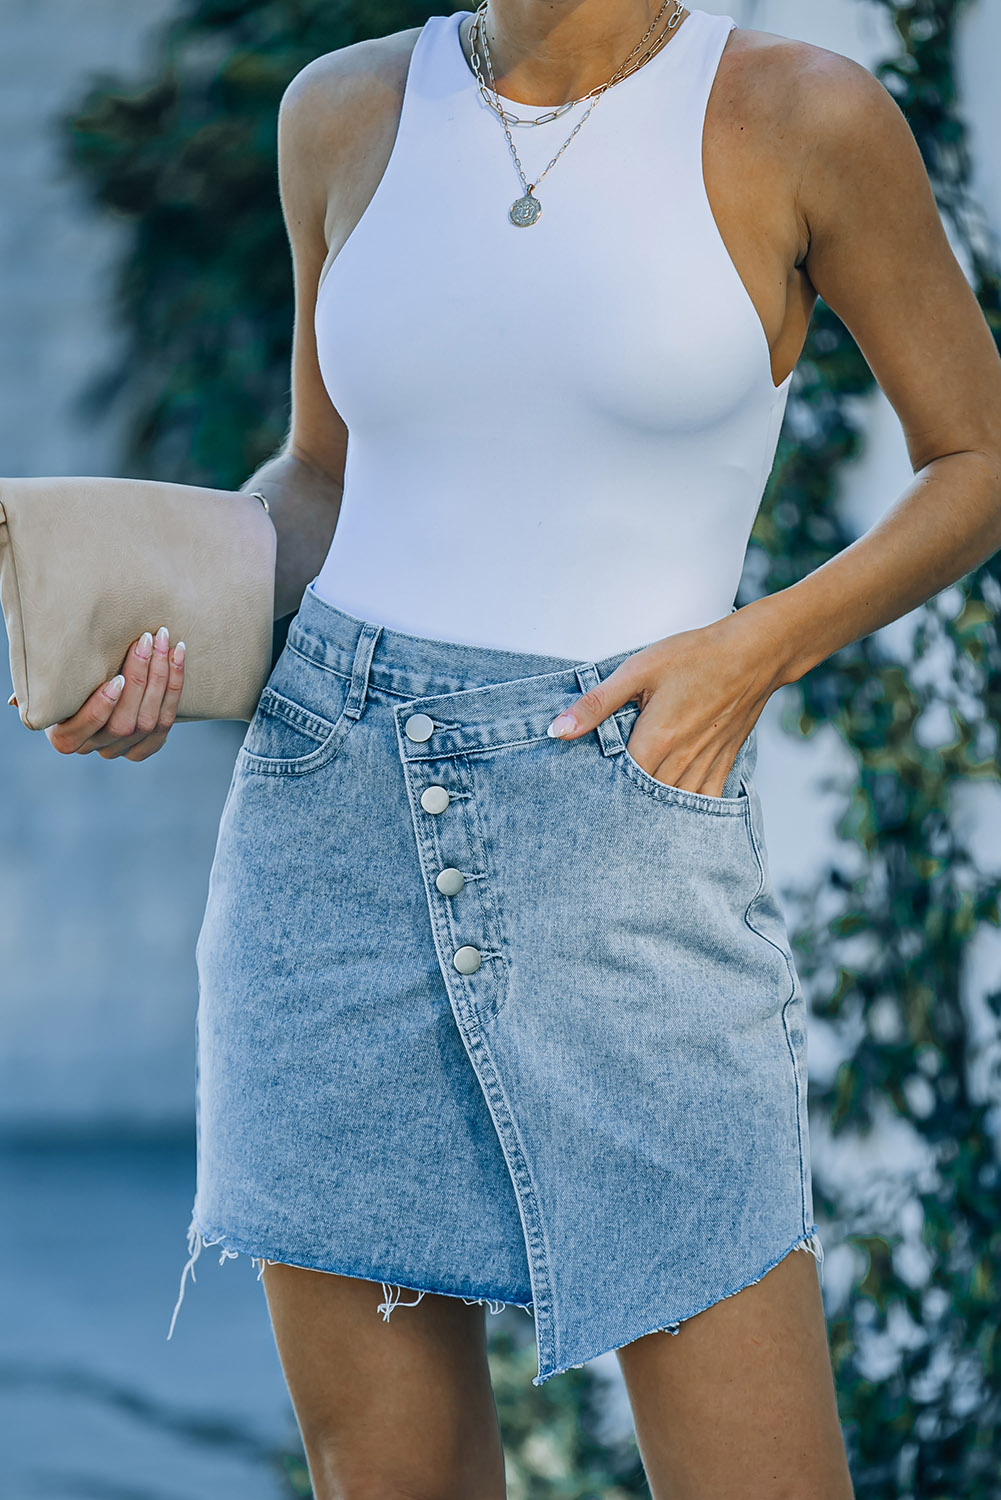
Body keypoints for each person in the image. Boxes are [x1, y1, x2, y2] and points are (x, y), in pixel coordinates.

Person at [39, 3, 1001, 1496]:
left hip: (625, 831)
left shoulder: (799, 114)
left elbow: (980, 457)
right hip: (328, 829)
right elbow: (322, 475)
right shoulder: (342, 114)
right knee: (390, 1477)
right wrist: (165, 634)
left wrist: (758, 649)